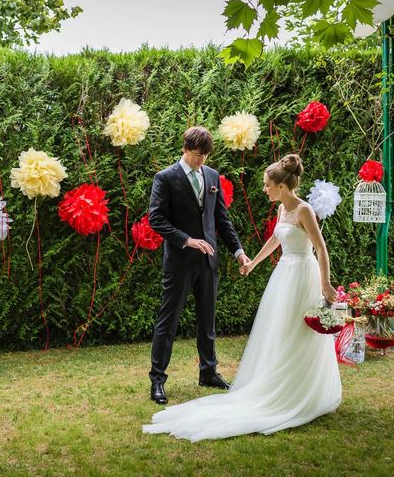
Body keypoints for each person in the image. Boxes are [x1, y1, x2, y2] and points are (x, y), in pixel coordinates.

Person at [143, 154, 341, 442]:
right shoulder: (282, 210)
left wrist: (325, 283)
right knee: (280, 331)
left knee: (301, 332)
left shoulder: (304, 210)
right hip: (284, 275)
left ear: (283, 187)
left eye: (266, 185)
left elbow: (321, 249)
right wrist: (251, 263)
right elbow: (275, 240)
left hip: (304, 275)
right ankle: (280, 384)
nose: (264, 189)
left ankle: (303, 389)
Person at [147, 126, 249, 405]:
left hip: (209, 262)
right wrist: (187, 240)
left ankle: (208, 372)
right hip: (180, 262)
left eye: (205, 156)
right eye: (197, 155)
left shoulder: (212, 176)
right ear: (185, 149)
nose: (201, 160)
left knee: (208, 320)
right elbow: (155, 219)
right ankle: (157, 379)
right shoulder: (165, 178)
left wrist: (238, 252)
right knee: (168, 322)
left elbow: (221, 220)